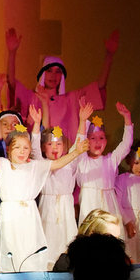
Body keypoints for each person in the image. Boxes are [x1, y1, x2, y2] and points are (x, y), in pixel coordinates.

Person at [0, 109, 88, 272]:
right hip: (10, 213)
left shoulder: (34, 166)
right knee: (12, 247)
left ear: (30, 150)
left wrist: (77, 152)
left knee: (30, 246)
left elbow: (57, 164)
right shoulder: (4, 164)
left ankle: (33, 277)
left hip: (29, 213)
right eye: (17, 147)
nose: (22, 151)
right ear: (8, 149)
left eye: (25, 148)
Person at [5, 27, 119, 144]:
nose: (53, 75)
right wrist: (12, 53)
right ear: (43, 73)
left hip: (65, 153)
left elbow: (99, 87)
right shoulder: (32, 97)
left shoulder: (71, 99)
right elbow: (12, 84)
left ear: (62, 76)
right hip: (37, 153)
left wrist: (109, 56)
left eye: (58, 71)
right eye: (49, 70)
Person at [39, 99, 94, 266]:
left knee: (66, 240)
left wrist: (83, 121)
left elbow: (78, 145)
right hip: (47, 206)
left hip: (65, 207)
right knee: (47, 239)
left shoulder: (70, 162)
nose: (55, 147)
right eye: (50, 144)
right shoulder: (41, 164)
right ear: (43, 147)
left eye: (59, 143)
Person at [75, 103, 133, 224]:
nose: (98, 142)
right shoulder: (83, 161)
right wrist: (83, 120)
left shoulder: (110, 160)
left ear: (106, 141)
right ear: (87, 141)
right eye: (93, 138)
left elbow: (126, 145)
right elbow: (79, 141)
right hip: (90, 208)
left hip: (109, 209)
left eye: (101, 138)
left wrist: (127, 118)